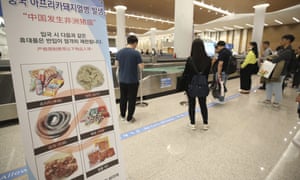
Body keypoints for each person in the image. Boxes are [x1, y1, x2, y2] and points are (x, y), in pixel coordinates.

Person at [182, 39, 211, 130]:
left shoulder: (190, 59)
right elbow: (207, 74)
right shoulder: (208, 59)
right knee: (203, 104)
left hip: (191, 85)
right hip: (203, 84)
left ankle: (192, 124)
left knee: (192, 104)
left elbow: (186, 74)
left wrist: (185, 87)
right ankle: (205, 123)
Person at [115, 35, 144, 122]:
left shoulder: (119, 52)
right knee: (132, 99)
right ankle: (130, 117)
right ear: (135, 43)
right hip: (132, 81)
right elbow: (141, 68)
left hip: (122, 80)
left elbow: (116, 65)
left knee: (123, 98)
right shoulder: (136, 53)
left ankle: (122, 115)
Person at [263, 34, 295, 108]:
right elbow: (274, 57)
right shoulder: (281, 50)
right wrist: (271, 58)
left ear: (288, 41)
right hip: (273, 71)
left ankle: (277, 101)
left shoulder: (288, 51)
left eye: (282, 40)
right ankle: (268, 99)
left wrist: (271, 58)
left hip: (281, 72)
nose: (280, 41)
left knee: (277, 86)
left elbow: (276, 59)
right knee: (269, 85)